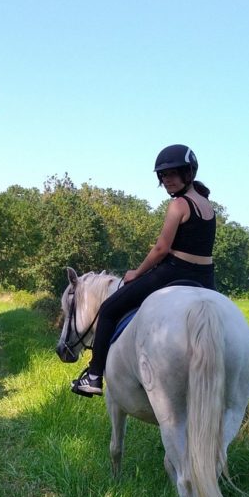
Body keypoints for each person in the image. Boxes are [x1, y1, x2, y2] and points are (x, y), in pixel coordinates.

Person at [70, 144, 217, 396]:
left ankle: (94, 376)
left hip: (174, 272)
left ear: (188, 174)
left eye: (172, 174)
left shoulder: (179, 205)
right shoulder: (208, 206)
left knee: (108, 309)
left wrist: (136, 273)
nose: (166, 180)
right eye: (162, 176)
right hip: (206, 279)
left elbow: (161, 249)